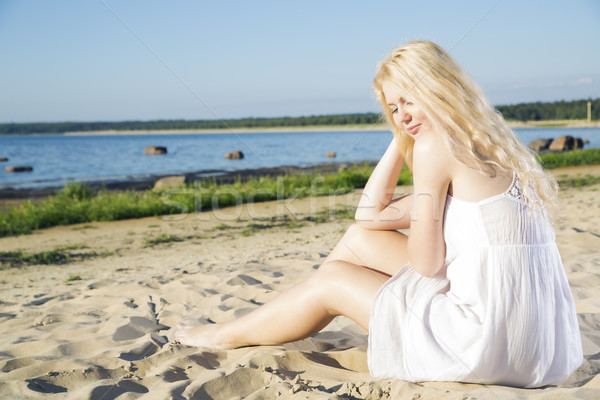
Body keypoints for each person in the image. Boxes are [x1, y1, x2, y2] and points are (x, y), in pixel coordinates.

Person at [173, 40, 582, 388]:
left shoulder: (438, 147)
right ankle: (309, 319)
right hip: (541, 352)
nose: (401, 115)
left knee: (331, 280)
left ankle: (231, 334)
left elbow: (426, 264)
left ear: (438, 90)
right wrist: (401, 136)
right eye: (392, 107)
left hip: (485, 348)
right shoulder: (496, 147)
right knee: (357, 240)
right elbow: (369, 215)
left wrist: (416, 146)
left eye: (409, 100)